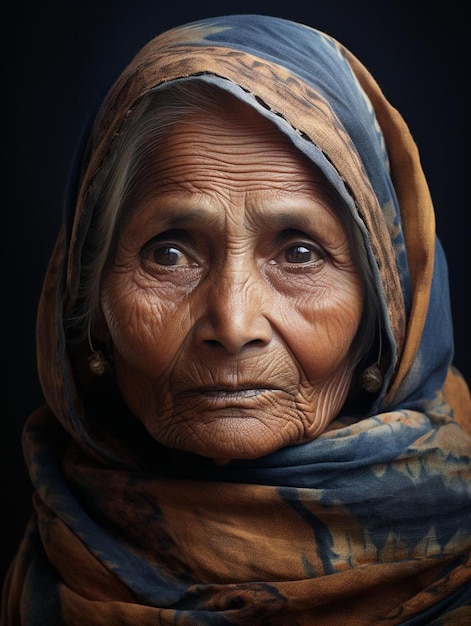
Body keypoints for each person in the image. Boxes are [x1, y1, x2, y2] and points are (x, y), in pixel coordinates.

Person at [2, 13, 470, 626]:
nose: (233, 320)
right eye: (168, 253)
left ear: (386, 310)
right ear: (89, 309)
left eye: (299, 252)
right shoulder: (57, 549)